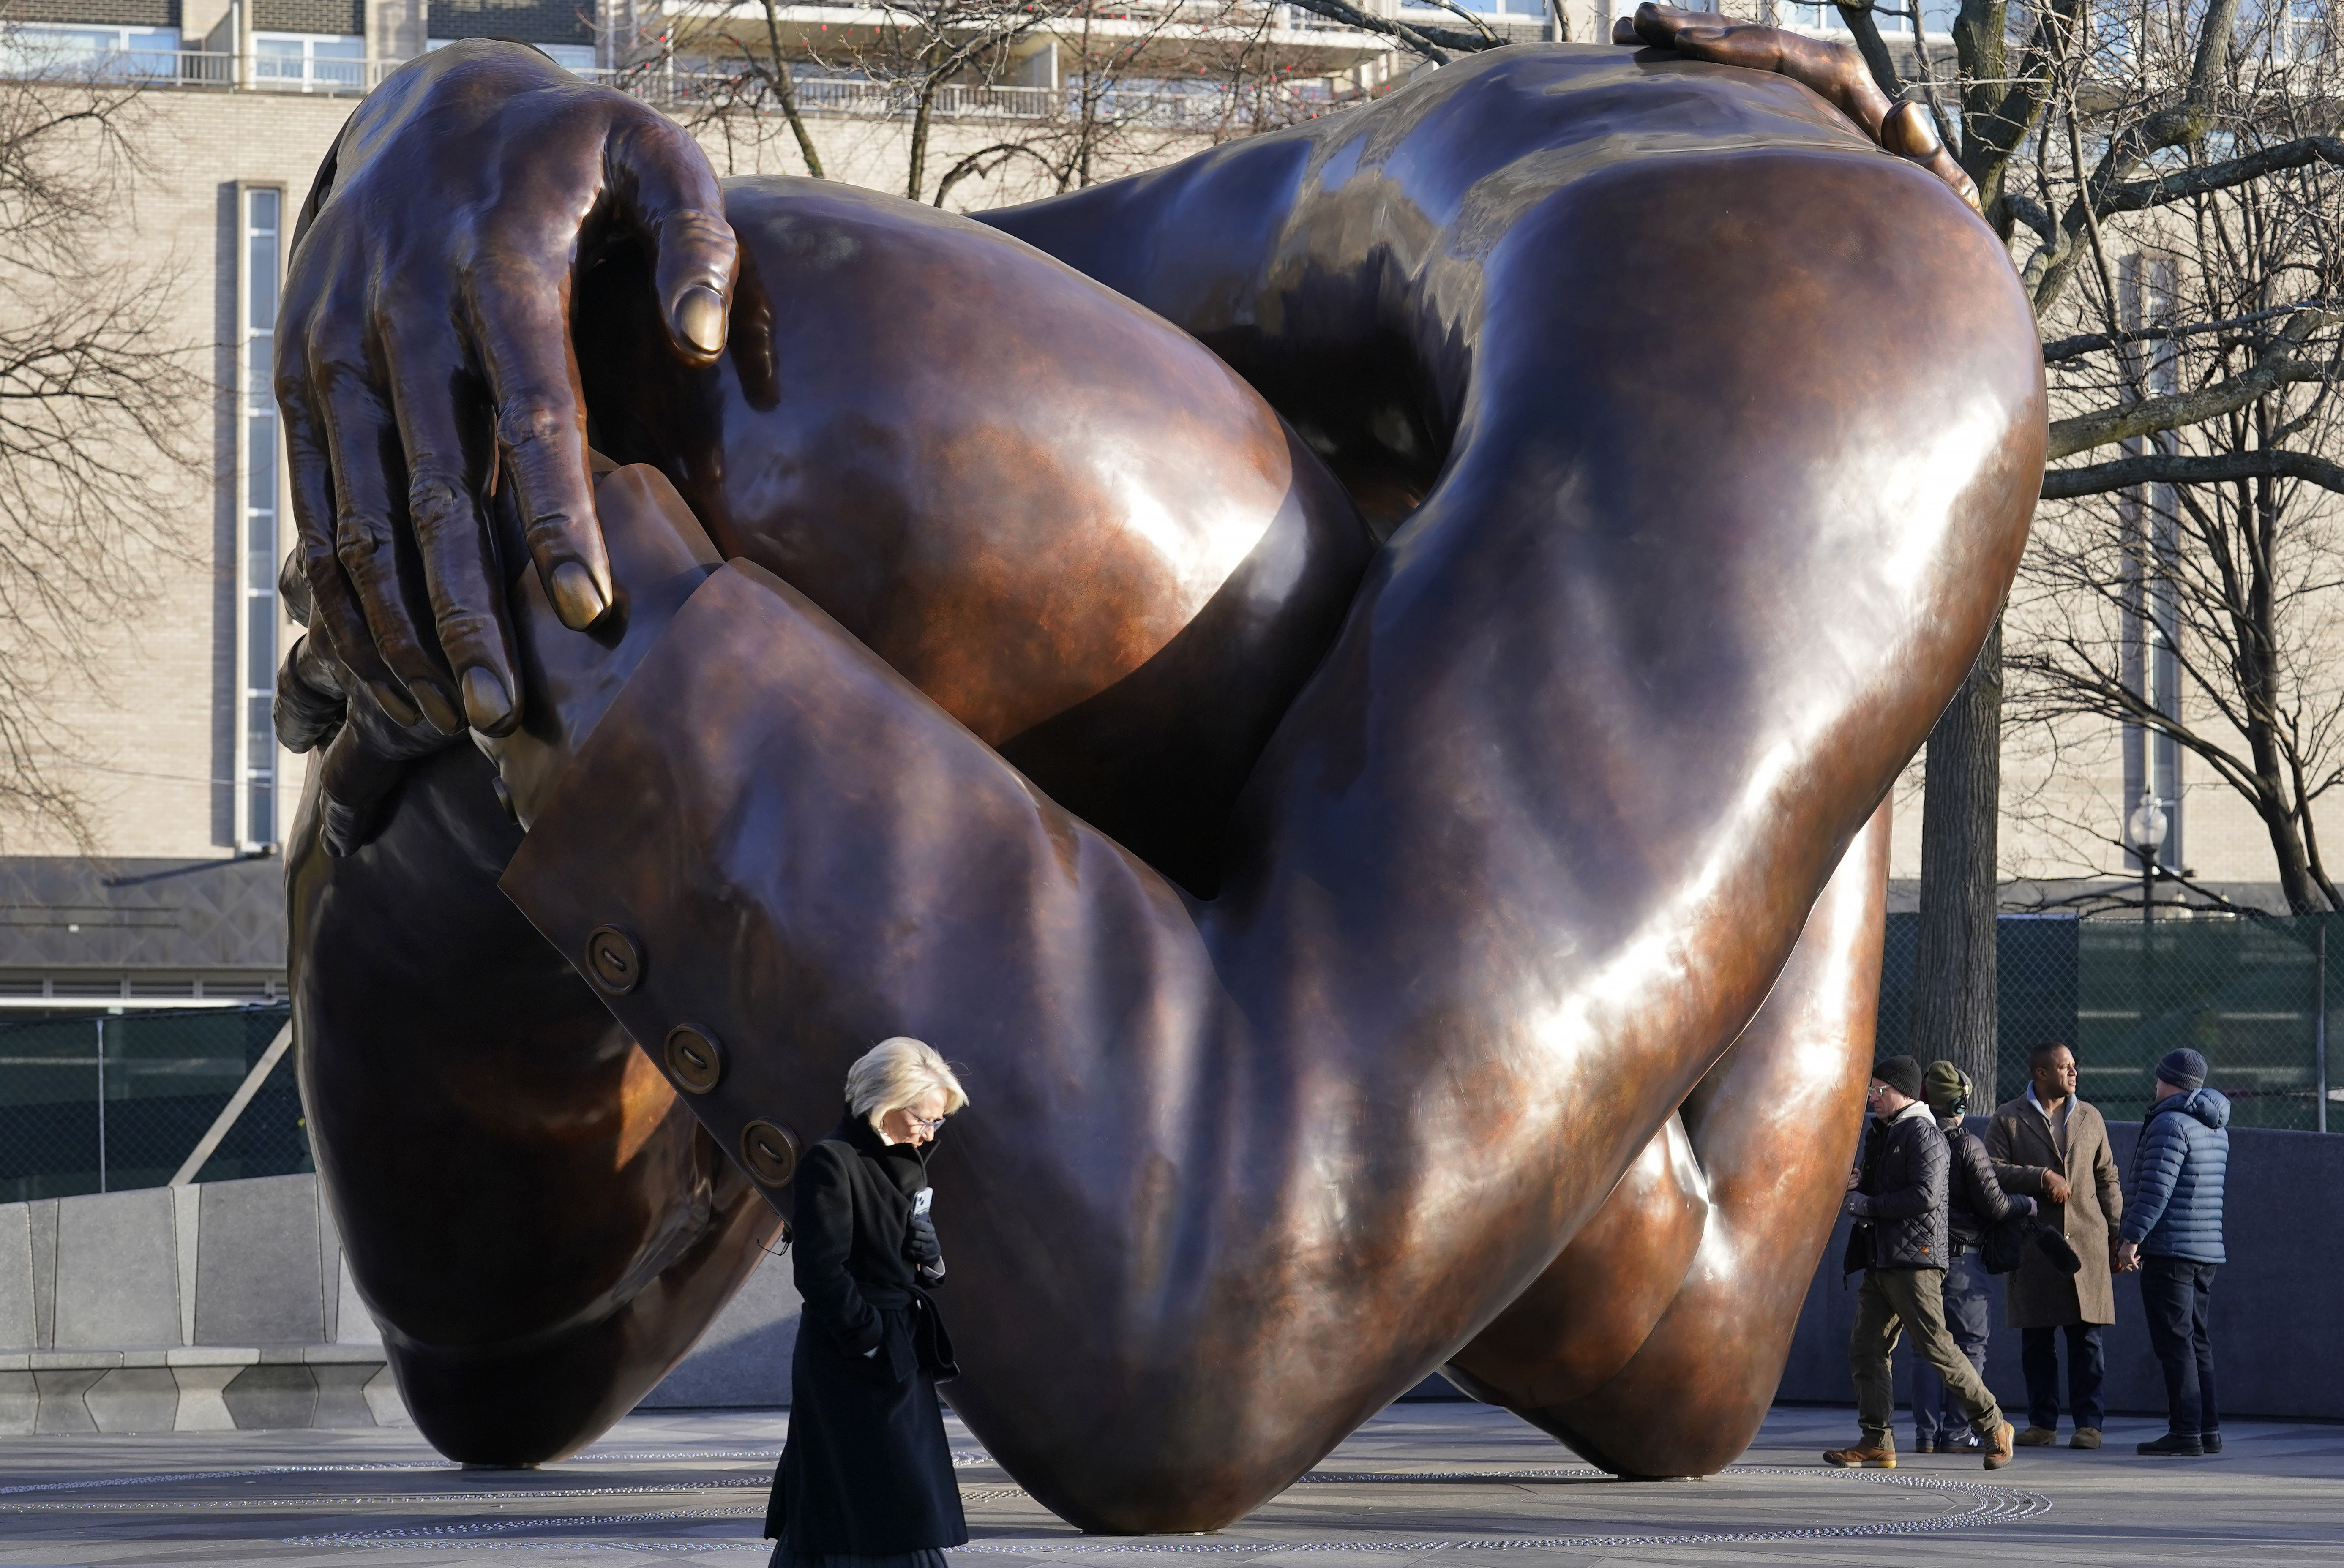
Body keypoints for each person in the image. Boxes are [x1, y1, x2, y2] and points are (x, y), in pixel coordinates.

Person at [270, 12, 2047, 1521]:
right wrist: (426, 154)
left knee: (1652, 1318)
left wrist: (433, 151)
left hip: (1790, 308)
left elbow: (1253, 1300)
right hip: (1775, 307)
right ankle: (522, 621)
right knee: (745, 389)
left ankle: (512, 631)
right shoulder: (1769, 280)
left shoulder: (1770, 297)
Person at [767, 1036, 971, 1567]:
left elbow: (898, 1260)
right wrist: (868, 1342)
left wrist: (932, 1259)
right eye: (923, 1118)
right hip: (850, 1355)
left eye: (938, 1122)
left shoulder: (905, 1157)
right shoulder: (831, 1161)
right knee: (885, 1490)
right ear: (884, 1102)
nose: (929, 1133)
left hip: (896, 1345)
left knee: (860, 1491)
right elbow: (818, 1270)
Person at [1823, 1055, 2015, 1471]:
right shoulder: (1886, 1132)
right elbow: (1889, 1186)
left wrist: (1868, 1203)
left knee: (1937, 1347)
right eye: (1871, 1090)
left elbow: (1924, 1196)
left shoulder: (1922, 1133)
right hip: (1883, 1258)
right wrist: (1859, 1184)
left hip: (1914, 1261)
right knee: (1866, 1348)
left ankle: (1994, 1425)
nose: (1873, 1098)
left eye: (1880, 1091)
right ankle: (1876, 1440)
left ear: (1903, 1093)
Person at [1986, 1040, 2124, 1450]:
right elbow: (1989, 1170)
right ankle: (2042, 1424)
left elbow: (2107, 1177)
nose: (2074, 1072)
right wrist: (2040, 1177)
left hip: (2087, 1244)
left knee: (2087, 1340)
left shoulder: (2090, 1117)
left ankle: (2089, 1425)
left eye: (2074, 1066)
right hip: (2034, 1248)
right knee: (2037, 1341)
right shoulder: (2008, 1118)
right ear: (2041, 1074)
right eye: (2065, 1067)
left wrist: (2119, 1235)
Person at [1909, 1060, 2033, 1454]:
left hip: (1920, 1259)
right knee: (1970, 1344)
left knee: (1926, 1345)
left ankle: (1925, 1434)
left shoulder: (1912, 1139)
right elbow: (1994, 1205)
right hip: (1964, 1260)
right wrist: (2027, 1204)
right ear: (1960, 1103)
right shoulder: (1966, 1144)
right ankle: (1960, 1430)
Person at [2118, 1047, 2231, 1458]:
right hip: (2205, 1251)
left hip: (2170, 1250)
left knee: (2175, 1345)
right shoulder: (2214, 1126)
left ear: (2167, 1080)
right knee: (2197, 1341)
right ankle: (2208, 1430)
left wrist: (2130, 1239)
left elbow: (2154, 1190)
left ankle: (2185, 1432)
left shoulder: (2169, 1123)